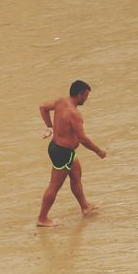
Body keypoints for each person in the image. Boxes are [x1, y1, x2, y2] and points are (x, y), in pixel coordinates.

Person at [36, 80, 107, 227]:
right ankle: (42, 218)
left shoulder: (62, 102)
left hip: (58, 147)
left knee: (76, 176)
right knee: (54, 186)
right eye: (86, 96)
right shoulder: (74, 114)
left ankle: (85, 207)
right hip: (63, 153)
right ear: (79, 94)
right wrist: (98, 151)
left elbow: (43, 107)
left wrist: (49, 127)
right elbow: (82, 138)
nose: (86, 99)